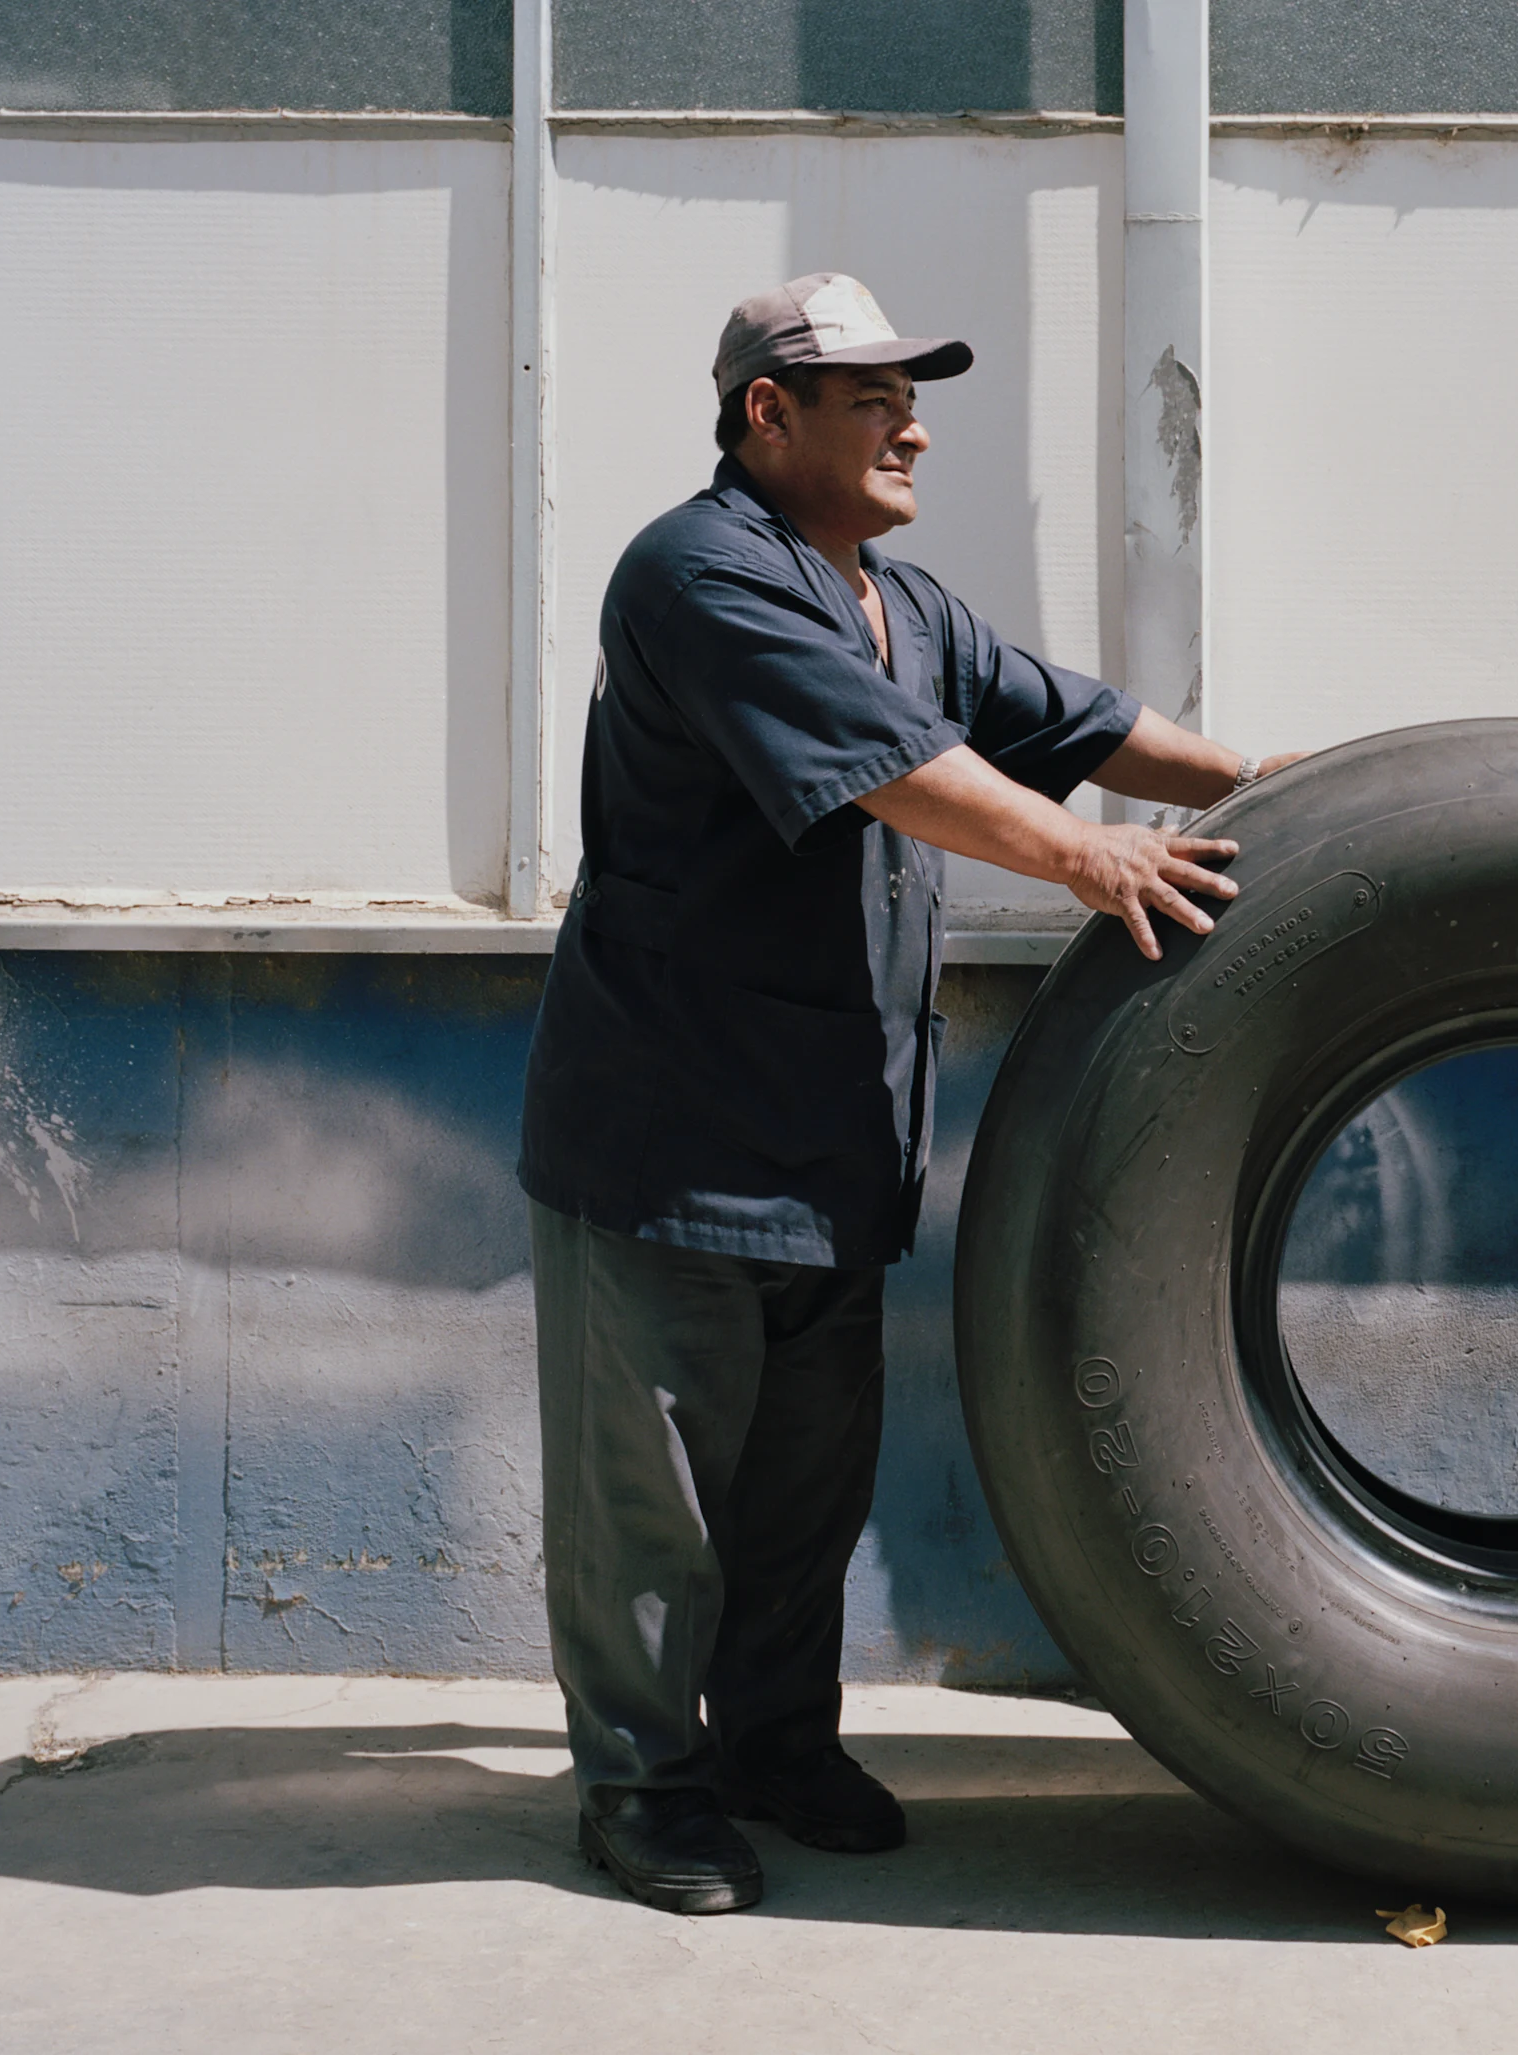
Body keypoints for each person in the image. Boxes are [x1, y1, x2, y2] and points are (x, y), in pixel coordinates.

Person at [517, 272, 1300, 1915]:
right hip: (669, 1138)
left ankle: (777, 1746)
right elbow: (899, 766)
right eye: (873, 398)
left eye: (912, 398)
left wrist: (1266, 784)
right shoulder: (702, 575)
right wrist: (1086, 858)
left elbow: (1078, 721)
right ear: (767, 413)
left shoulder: (906, 604)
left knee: (805, 1494)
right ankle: (645, 1789)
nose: (912, 428)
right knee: (651, 1505)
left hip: (832, 1141)